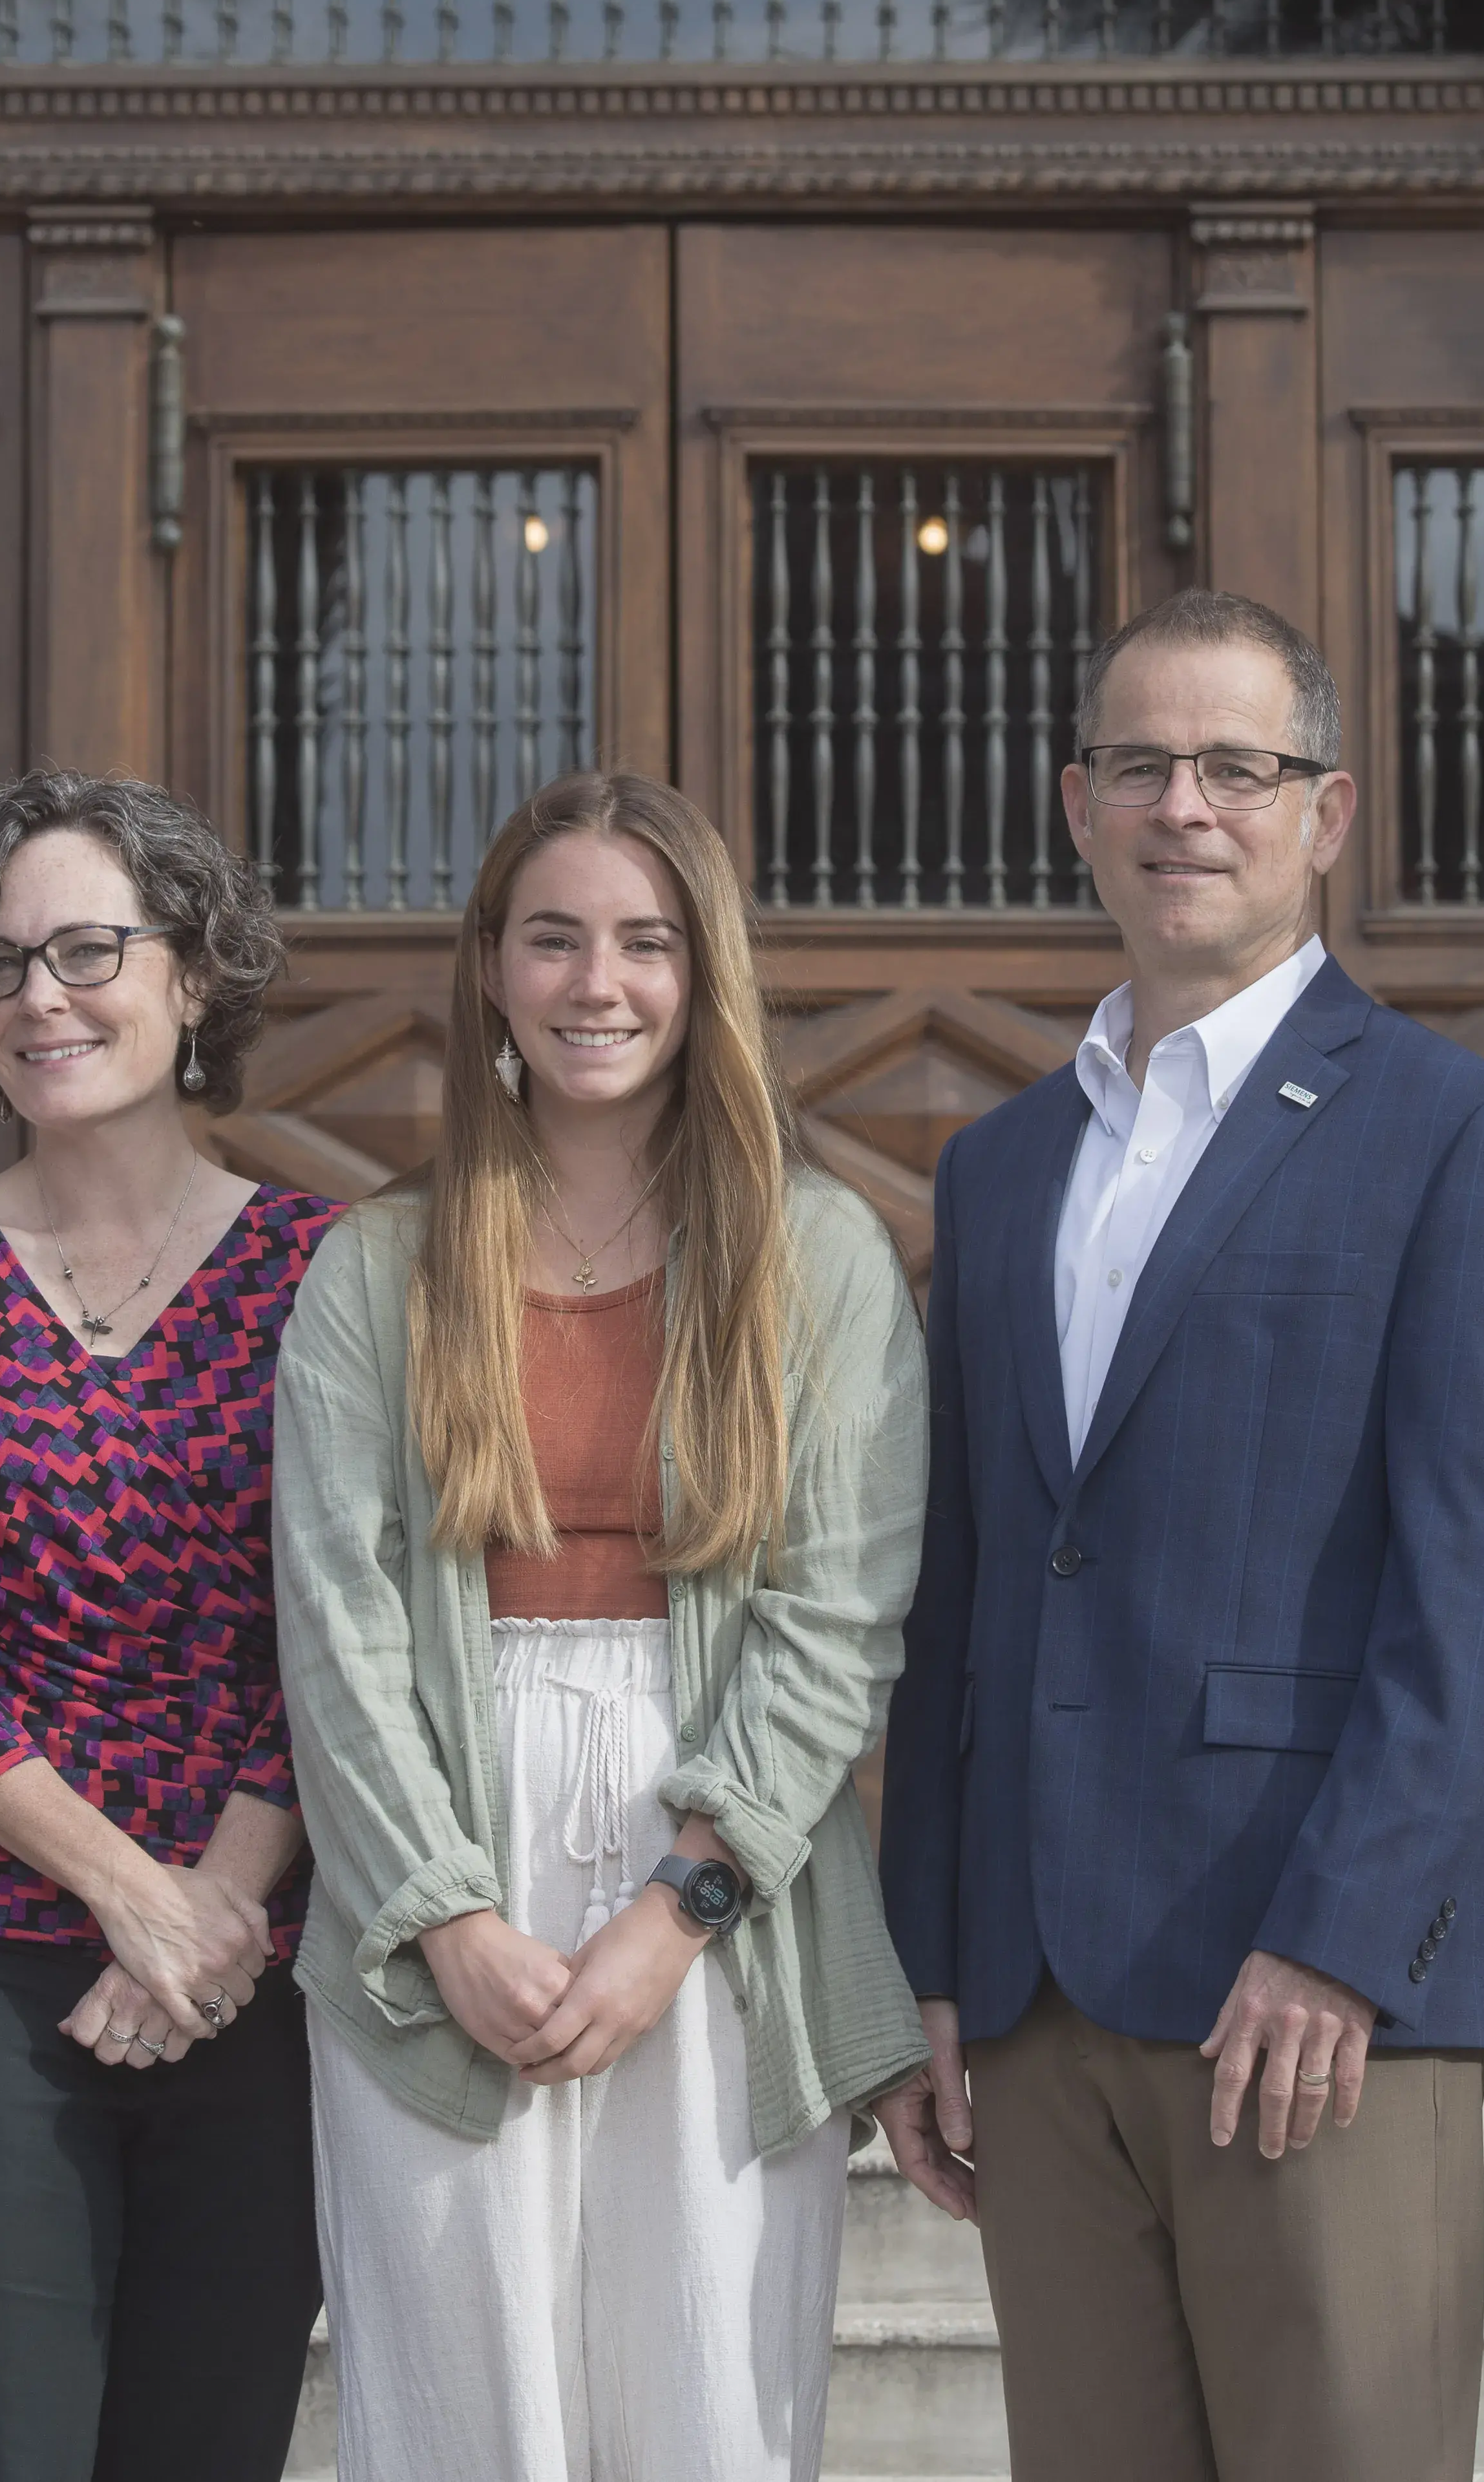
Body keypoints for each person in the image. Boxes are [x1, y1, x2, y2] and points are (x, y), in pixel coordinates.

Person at [873, 588, 1484, 2482]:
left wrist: (1342, 1938)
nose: (1184, 804)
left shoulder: (1457, 1135)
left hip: (1308, 1988)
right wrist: (930, 1954)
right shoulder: (1002, 1163)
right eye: (1140, 764)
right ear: (1075, 803)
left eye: (1236, 768)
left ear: (1326, 814)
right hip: (1032, 1993)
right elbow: (959, 1596)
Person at [271, 770, 929, 2482]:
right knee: (455, 2405)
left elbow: (835, 1619)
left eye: (645, 943)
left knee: (706, 2392)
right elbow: (338, 1630)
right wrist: (443, 1917)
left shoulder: (817, 1257)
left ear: (703, 976)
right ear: (489, 965)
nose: (596, 984)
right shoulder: (378, 1269)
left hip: (721, 1866)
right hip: (442, 1837)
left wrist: (680, 1903)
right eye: (553, 938)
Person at [0, 771, 343, 2481]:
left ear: (194, 978)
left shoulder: (335, 1279)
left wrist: (215, 1915)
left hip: (254, 1980)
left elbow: (349, 1632)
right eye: (1, 962)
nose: (40, 996)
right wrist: (130, 1896)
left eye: (89, 950)